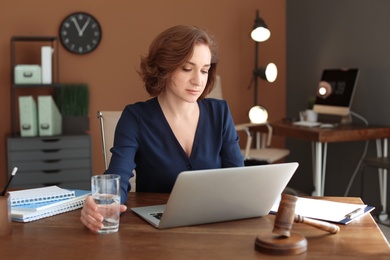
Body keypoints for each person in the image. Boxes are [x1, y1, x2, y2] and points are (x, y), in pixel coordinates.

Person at [80, 25, 244, 232]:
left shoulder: (219, 113)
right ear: (164, 67)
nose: (198, 80)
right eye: (187, 68)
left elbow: (238, 178)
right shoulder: (135, 117)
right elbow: (118, 178)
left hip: (214, 226)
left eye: (204, 70)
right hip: (157, 231)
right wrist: (100, 205)